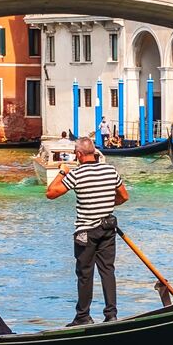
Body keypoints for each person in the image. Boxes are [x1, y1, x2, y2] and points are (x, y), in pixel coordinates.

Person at [46, 136, 128, 325]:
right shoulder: (110, 170)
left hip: (86, 232)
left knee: (85, 273)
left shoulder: (77, 174)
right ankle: (111, 315)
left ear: (79, 154)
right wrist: (107, 204)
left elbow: (51, 193)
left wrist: (62, 172)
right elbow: (124, 196)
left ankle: (83, 316)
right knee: (107, 270)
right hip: (108, 227)